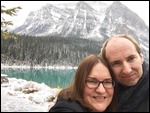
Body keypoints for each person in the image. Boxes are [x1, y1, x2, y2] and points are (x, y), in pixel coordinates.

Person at [99, 34, 149, 112]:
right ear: (108, 68)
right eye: (116, 63)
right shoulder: (102, 94)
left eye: (131, 59)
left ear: (141, 58)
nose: (127, 70)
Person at [49, 54, 117, 112]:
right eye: (92, 81)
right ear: (79, 83)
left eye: (107, 82)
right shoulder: (66, 107)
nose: (101, 90)